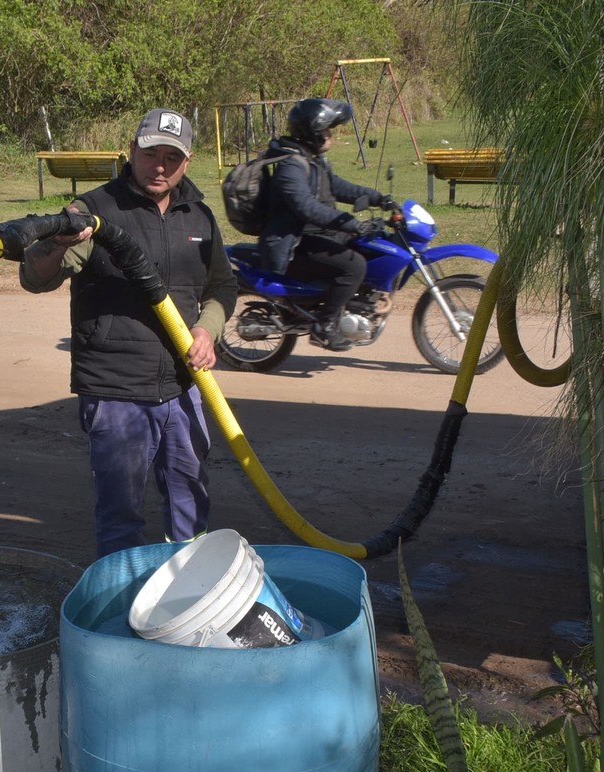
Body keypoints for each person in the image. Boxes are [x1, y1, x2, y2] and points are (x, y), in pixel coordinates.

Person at [20, 108, 237, 558]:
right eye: (150, 153)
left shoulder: (198, 214)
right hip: (116, 388)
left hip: (184, 385)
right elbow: (37, 277)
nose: (160, 166)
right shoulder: (96, 210)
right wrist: (57, 241)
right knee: (121, 517)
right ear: (132, 150)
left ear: (188, 160)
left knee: (191, 504)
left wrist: (206, 329)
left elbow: (222, 284)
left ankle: (186, 600)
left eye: (171, 158)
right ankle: (122, 608)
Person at [256, 98, 392, 351]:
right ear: (313, 133)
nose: (331, 136)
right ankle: (324, 327)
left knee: (370, 248)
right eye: (327, 131)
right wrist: (349, 223)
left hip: (314, 235)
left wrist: (378, 198)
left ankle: (348, 306)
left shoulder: (312, 159)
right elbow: (305, 206)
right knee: (354, 266)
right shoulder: (290, 166)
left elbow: (338, 187)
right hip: (293, 244)